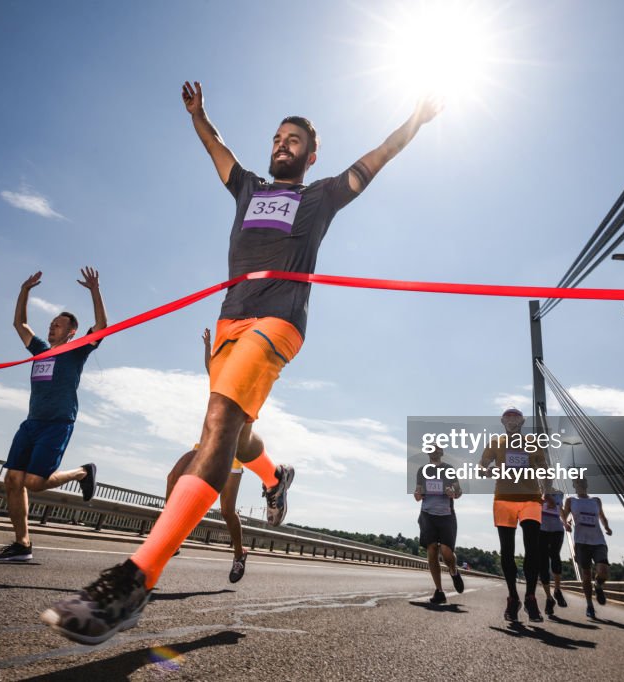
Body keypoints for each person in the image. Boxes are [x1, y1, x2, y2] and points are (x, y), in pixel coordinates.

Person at [41, 80, 442, 644]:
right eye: (277, 137)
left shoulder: (322, 195)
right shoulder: (249, 188)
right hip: (231, 319)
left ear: (311, 155)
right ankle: (275, 476)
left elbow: (374, 159)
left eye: (293, 140)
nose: (282, 144)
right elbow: (216, 148)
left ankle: (133, 582)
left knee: (218, 426)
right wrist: (199, 115)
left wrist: (414, 120)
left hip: (278, 321)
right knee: (236, 428)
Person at [0, 267, 107, 562]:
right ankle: (22, 544)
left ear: (71, 332)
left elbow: (102, 325)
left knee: (34, 482)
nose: (52, 327)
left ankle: (82, 472)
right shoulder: (40, 349)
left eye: (58, 325)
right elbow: (19, 323)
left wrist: (95, 290)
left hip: (58, 422)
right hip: (31, 423)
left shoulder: (77, 350)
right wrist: (24, 291)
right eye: (51, 323)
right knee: (13, 480)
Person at [165, 327, 270, 583]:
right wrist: (208, 347)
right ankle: (172, 535)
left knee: (226, 511)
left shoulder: (248, 383)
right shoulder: (222, 380)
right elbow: (211, 368)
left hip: (232, 453)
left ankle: (239, 553)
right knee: (173, 477)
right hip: (205, 445)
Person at [479, 407, 553, 623]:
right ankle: (513, 597)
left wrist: (547, 489)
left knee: (533, 548)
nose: (512, 420)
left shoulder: (532, 442)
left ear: (522, 422)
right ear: (502, 421)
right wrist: (486, 470)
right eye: (508, 417)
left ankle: (530, 597)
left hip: (531, 499)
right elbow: (481, 465)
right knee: (507, 550)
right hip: (504, 499)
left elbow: (544, 467)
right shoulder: (495, 443)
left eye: (516, 417)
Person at [414, 446, 464, 604]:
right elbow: (418, 494)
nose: (434, 452)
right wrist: (418, 494)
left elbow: (459, 491)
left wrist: (453, 492)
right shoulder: (422, 471)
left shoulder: (449, 469)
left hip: (446, 515)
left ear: (441, 453)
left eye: (437, 450)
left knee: (446, 552)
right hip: (427, 514)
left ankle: (453, 571)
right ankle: (439, 591)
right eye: (431, 450)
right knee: (432, 549)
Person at [562, 478, 612, 619]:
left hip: (598, 541)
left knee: (603, 571)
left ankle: (598, 585)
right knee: (586, 574)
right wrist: (566, 524)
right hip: (581, 542)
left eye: (582, 482)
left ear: (587, 485)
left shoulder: (596, 501)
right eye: (578, 483)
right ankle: (590, 605)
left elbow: (602, 517)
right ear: (574, 486)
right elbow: (564, 516)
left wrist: (607, 527)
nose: (581, 485)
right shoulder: (571, 501)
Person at [537, 486, 569, 615]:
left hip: (557, 529)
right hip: (542, 530)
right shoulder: (538, 491)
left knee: (555, 557)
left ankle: (557, 590)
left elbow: (560, 510)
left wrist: (565, 522)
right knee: (543, 563)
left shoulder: (560, 494)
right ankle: (549, 598)